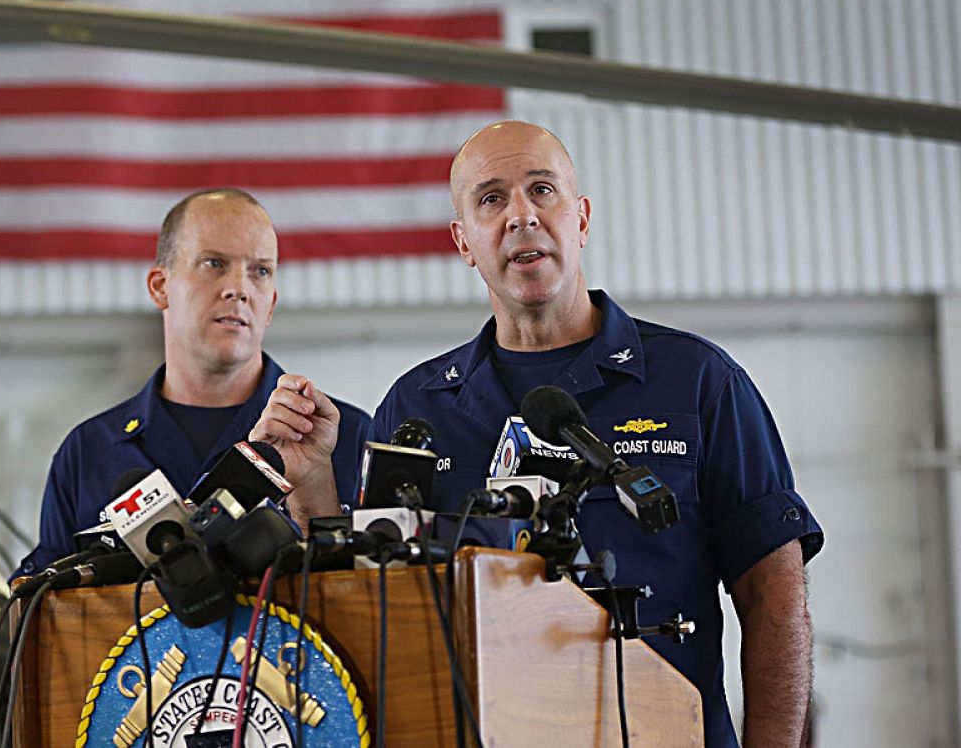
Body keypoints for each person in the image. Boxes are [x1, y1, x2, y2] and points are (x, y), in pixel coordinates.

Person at [252, 121, 822, 748]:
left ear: (580, 218)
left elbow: (774, 594)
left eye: (542, 190)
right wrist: (311, 487)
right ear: (463, 240)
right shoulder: (417, 407)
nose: (521, 215)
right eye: (491, 199)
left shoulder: (697, 382)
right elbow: (370, 601)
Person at [13, 189, 372, 579]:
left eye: (260, 271)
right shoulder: (89, 453)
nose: (239, 288)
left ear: (270, 305)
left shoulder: (343, 437)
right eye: (213, 263)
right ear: (159, 286)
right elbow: (41, 614)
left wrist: (315, 494)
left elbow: (381, 609)